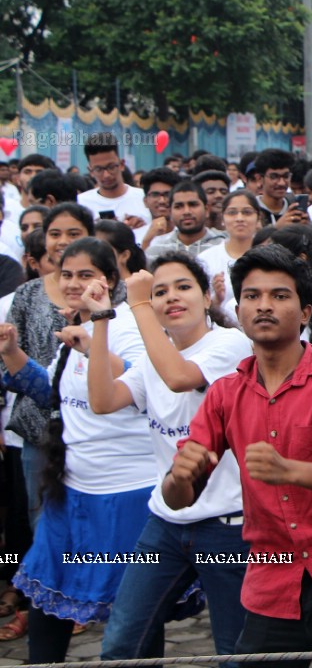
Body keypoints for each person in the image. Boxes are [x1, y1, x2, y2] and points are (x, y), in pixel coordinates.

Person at [164, 244, 312, 667]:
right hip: (272, 583)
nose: (264, 306)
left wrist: (291, 470)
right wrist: (179, 478)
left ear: (306, 312)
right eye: (253, 297)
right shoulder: (225, 393)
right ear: (238, 311)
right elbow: (178, 497)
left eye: (280, 295)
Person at [87, 255, 253, 659]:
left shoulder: (230, 344)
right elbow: (103, 401)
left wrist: (139, 302)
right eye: (159, 292)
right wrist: (100, 321)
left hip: (228, 526)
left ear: (206, 295)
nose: (170, 298)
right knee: (124, 640)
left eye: (182, 287)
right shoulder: (152, 360)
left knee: (237, 651)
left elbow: (180, 378)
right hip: (165, 521)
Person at [0, 238, 151, 662]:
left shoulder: (129, 327)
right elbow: (48, 392)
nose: (72, 283)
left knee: (133, 613)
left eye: (85, 275)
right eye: (66, 274)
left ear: (110, 280)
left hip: (125, 494)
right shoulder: (71, 331)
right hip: (70, 490)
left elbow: (147, 380)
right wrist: (12, 352)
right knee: (46, 590)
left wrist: (93, 339)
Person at [4, 203, 97, 529]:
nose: (62, 241)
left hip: (96, 427)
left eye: (74, 233)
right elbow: (9, 366)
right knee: (44, 524)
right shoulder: (28, 294)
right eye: (55, 233)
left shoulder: (112, 291)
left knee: (92, 524)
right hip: (39, 431)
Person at [198, 190, 266, 325]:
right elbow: (198, 309)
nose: (239, 218)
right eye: (232, 212)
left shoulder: (269, 258)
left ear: (258, 218)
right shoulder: (205, 259)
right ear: (222, 219)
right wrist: (217, 299)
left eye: (247, 212)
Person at [77, 134, 152, 231]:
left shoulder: (145, 199)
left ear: (122, 164)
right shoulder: (81, 203)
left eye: (111, 167)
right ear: (90, 171)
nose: (106, 175)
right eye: (99, 169)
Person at [145, 182, 227, 262]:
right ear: (170, 212)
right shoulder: (156, 251)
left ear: (206, 210)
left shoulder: (224, 245)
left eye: (193, 205)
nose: (186, 211)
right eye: (178, 206)